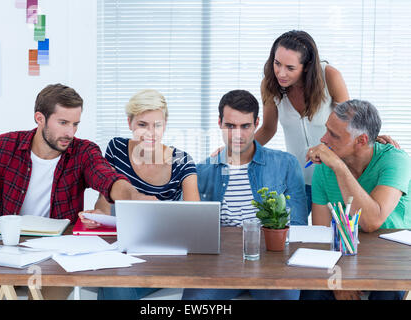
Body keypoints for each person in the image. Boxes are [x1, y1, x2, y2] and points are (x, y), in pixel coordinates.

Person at [0, 83, 154, 299]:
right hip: (3, 254)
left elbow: (109, 181)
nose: (70, 133)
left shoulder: (83, 152)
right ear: (40, 118)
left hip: (55, 258)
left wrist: (137, 197)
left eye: (75, 124)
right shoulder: (2, 147)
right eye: (63, 123)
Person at [254, 30, 398, 220]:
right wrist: (236, 148)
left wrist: (371, 137)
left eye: (290, 67)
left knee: (338, 236)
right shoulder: (271, 85)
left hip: (331, 175)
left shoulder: (329, 76)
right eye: (277, 63)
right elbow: (267, 129)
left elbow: (349, 123)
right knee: (291, 235)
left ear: (306, 66)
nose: (281, 72)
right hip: (298, 179)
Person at [182, 89, 307, 300]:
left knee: (287, 295)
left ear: (257, 123)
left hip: (271, 265)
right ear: (220, 123)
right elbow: (189, 229)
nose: (238, 135)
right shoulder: (201, 171)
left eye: (245, 126)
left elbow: (298, 223)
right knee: (194, 300)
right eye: (230, 126)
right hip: (219, 266)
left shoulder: (285, 164)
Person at [80, 89, 200, 300]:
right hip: (124, 249)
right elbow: (105, 198)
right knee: (112, 282)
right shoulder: (116, 148)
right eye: (142, 125)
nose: (150, 133)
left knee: (115, 286)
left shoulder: (182, 160)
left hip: (163, 253)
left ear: (165, 124)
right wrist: (98, 215)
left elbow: (195, 218)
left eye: (157, 125)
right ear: (130, 123)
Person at [301, 99, 410, 300]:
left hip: (391, 260)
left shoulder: (396, 160)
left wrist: (338, 166)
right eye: (326, 130)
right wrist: (339, 280)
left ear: (361, 140)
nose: (323, 140)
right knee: (312, 292)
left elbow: (371, 221)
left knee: (387, 294)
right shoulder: (324, 168)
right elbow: (322, 234)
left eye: (334, 135)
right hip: (344, 258)